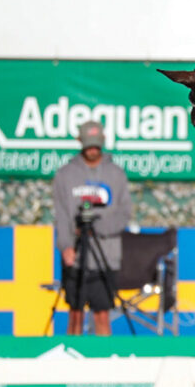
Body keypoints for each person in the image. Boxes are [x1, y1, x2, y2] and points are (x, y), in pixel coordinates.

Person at [52, 120, 132, 335]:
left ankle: (105, 361)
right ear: (80, 142)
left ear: (103, 142)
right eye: (88, 144)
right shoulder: (65, 174)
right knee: (75, 314)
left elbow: (125, 213)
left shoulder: (116, 173)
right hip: (76, 256)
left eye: (96, 144)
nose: (93, 149)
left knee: (102, 313)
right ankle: (72, 358)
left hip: (105, 254)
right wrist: (66, 245)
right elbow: (61, 214)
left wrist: (97, 228)